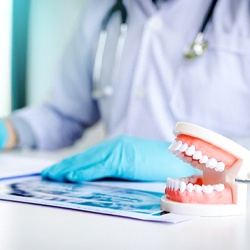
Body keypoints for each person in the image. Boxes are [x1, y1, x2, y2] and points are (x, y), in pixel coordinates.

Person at [0, 0, 249, 182]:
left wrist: (192, 163)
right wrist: (9, 131)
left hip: (217, 206)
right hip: (112, 202)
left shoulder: (241, 13)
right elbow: (64, 114)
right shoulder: (102, 10)